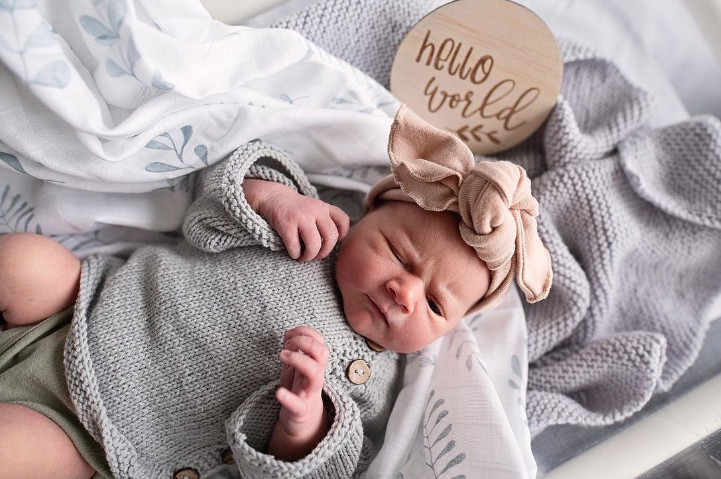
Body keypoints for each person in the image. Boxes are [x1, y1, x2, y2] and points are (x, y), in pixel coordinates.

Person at [0, 105, 552, 479]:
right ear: (364, 217)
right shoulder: (310, 232)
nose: (404, 293)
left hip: (97, 433)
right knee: (24, 262)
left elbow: (326, 466)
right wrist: (270, 198)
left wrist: (304, 421)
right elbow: (214, 201)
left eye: (435, 305)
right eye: (400, 255)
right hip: (80, 307)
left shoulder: (372, 381)